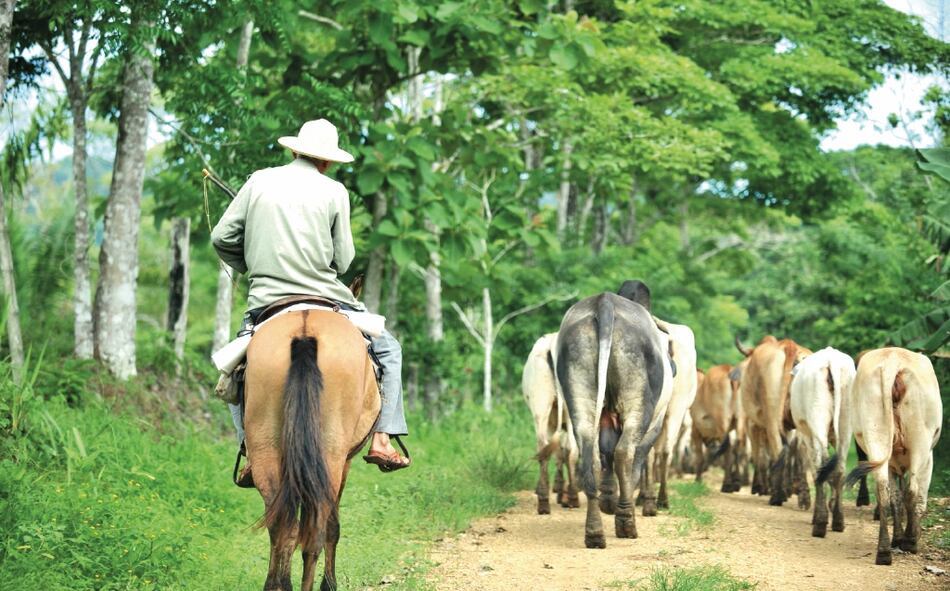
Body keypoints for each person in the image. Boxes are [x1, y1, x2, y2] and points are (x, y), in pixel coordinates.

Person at [211, 118, 411, 485]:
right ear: (328, 161)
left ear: (294, 149)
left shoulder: (258, 181)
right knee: (389, 350)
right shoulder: (334, 191)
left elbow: (222, 237)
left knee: (235, 369)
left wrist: (252, 265)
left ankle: (252, 451)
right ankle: (382, 438)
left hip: (267, 301)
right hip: (325, 297)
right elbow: (344, 260)